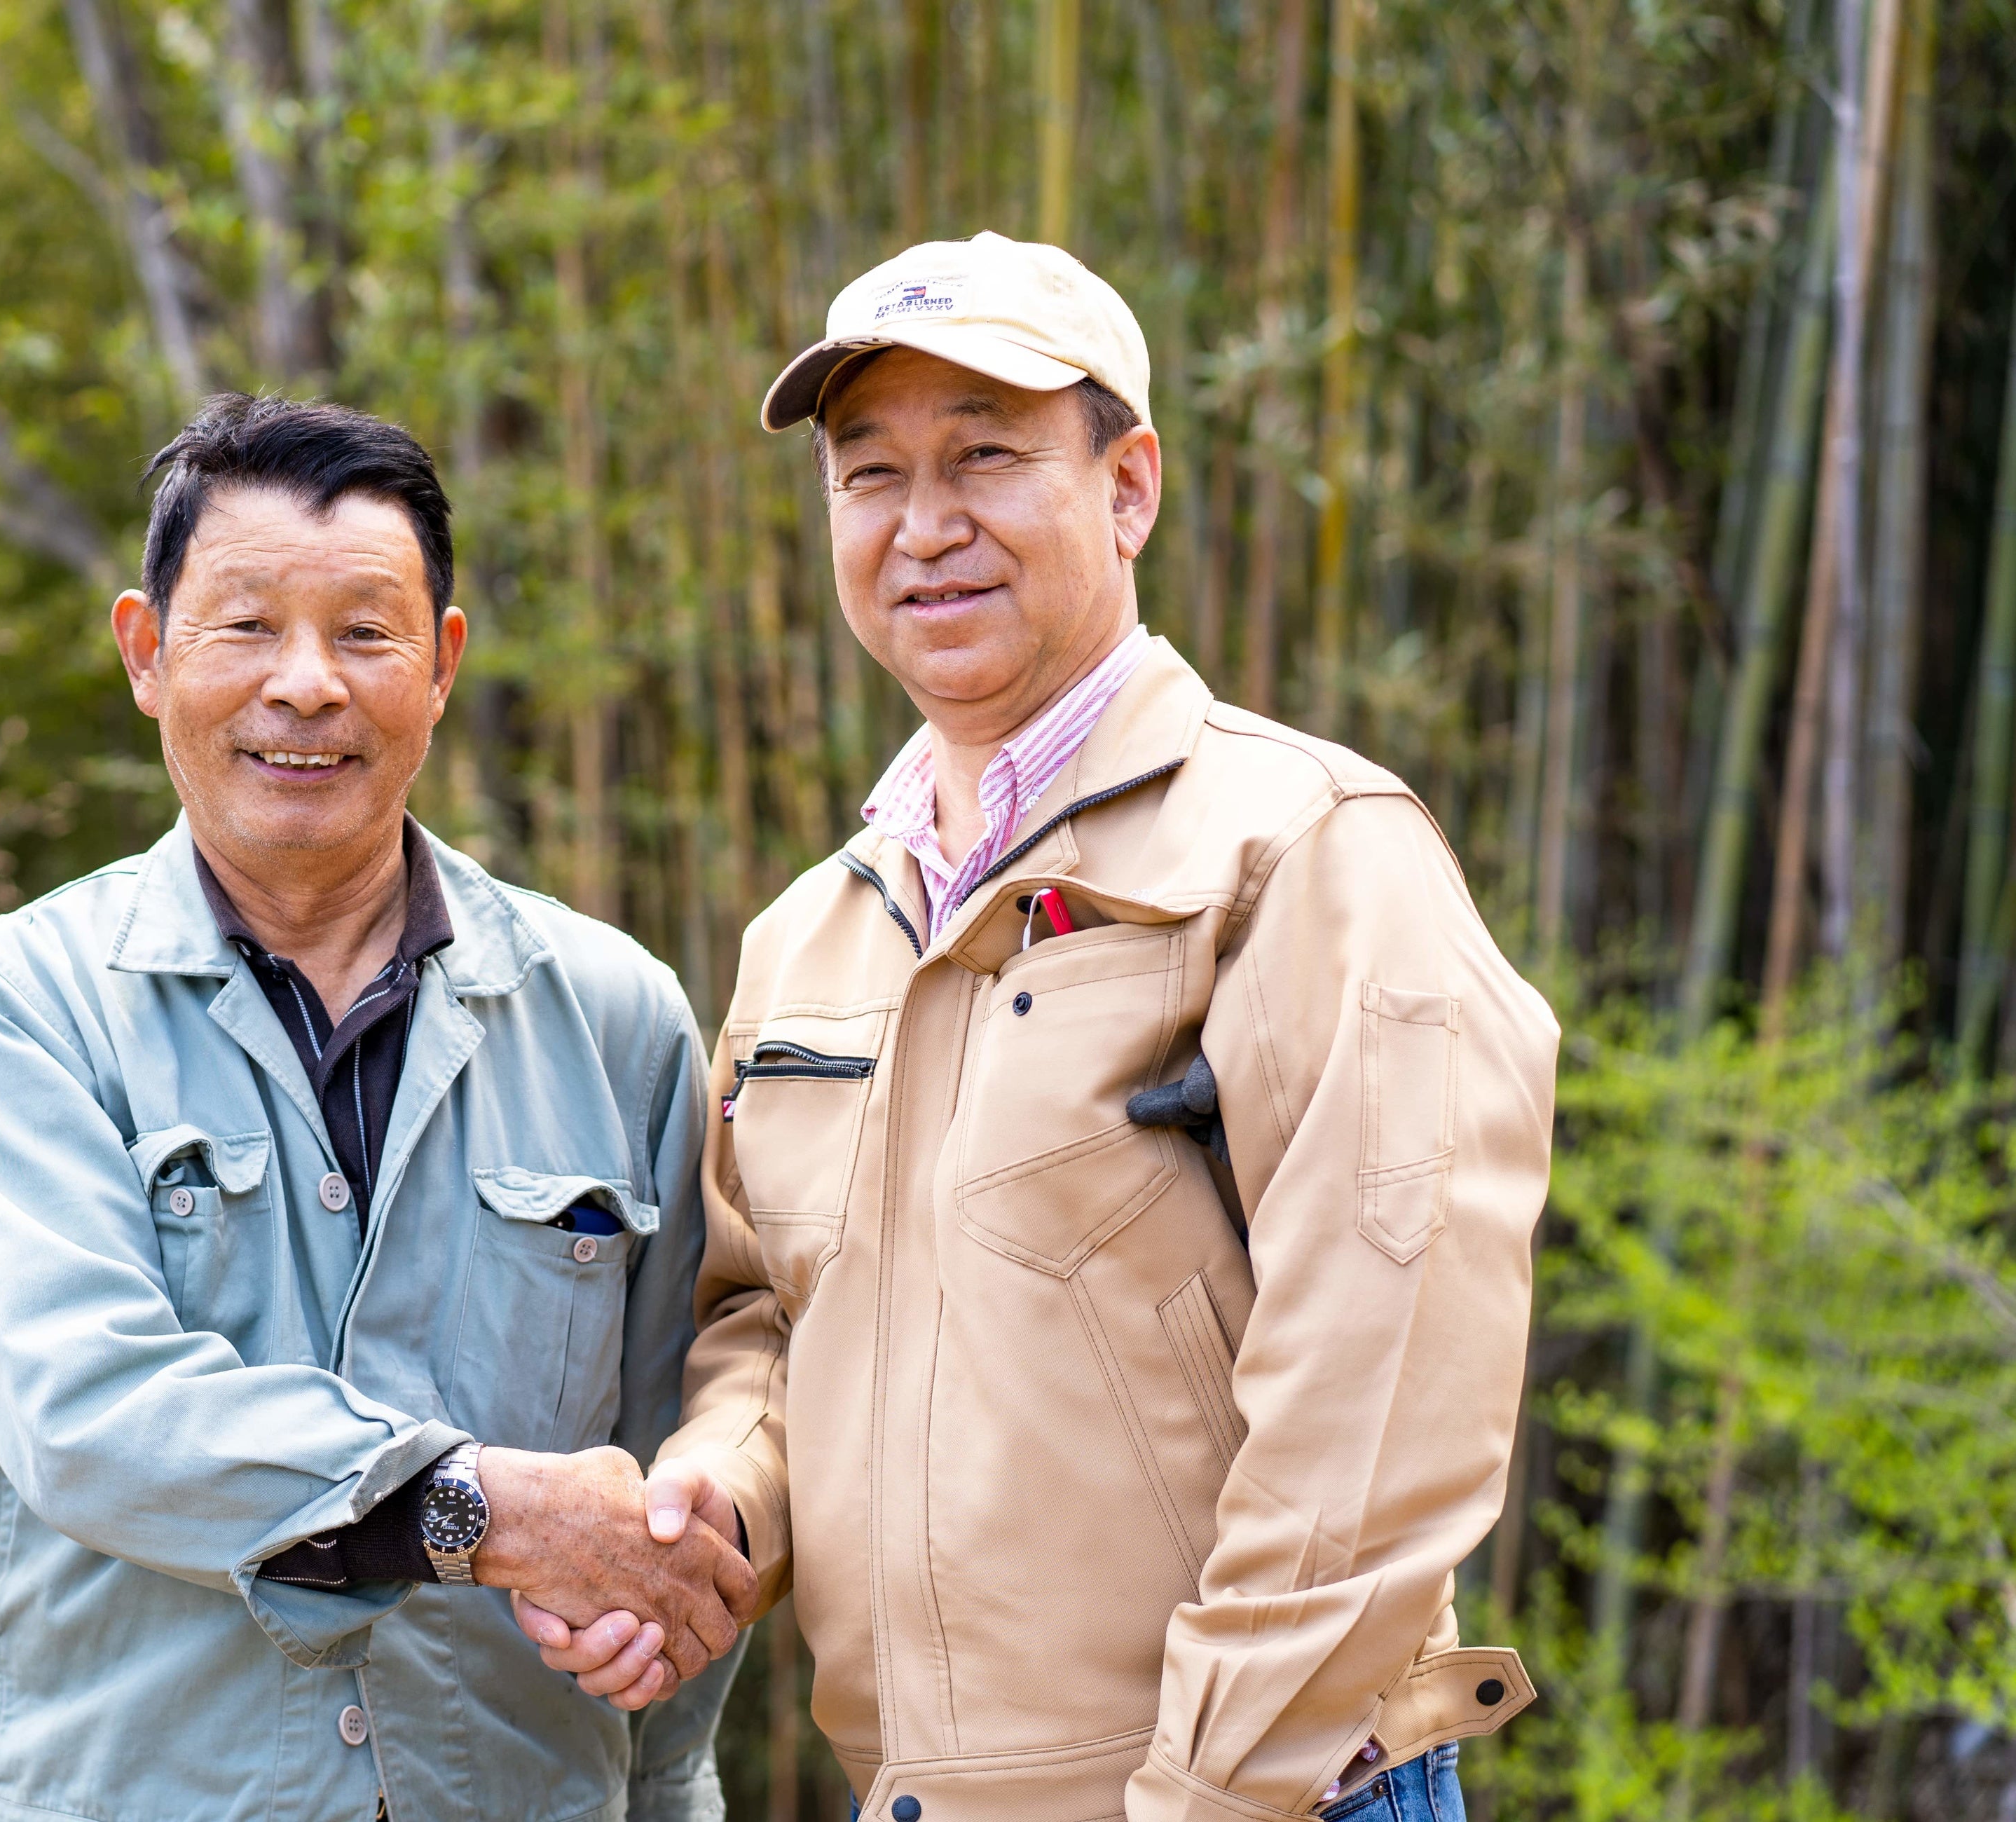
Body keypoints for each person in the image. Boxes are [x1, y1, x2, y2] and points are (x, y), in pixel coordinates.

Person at [522, 233, 1560, 1822]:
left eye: (986, 458)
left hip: (1267, 1796)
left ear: (1129, 484)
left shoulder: (1301, 848)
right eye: (870, 476)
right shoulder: (814, 932)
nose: (926, 526)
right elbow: (771, 1325)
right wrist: (718, 1504)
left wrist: (1208, 1794)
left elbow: (1386, 1389)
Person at [0, 393, 753, 1822]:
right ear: (146, 652)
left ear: (443, 666)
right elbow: (89, 1415)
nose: (307, 684)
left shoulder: (619, 1020)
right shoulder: (12, 1012)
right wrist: (481, 1511)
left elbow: (666, 1499)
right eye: (246, 625)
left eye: (365, 632)